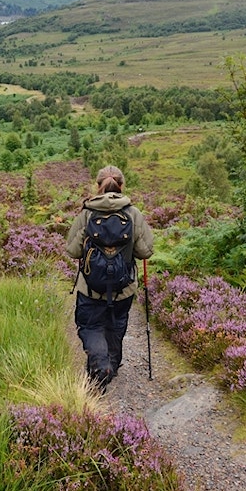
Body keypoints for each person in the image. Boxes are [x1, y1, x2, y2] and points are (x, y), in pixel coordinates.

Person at [65, 165, 153, 392]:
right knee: (115, 328)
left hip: (90, 289)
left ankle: (99, 365)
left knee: (91, 326)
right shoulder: (133, 213)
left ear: (98, 186)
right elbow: (145, 252)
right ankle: (109, 367)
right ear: (121, 185)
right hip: (123, 289)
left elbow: (73, 250)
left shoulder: (87, 213)